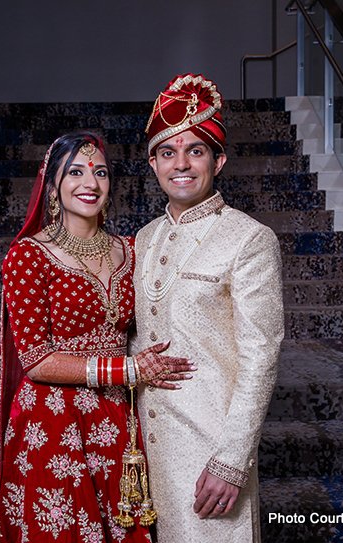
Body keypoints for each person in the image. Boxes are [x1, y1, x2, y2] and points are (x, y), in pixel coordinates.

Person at [0, 131, 195, 543]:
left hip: (119, 418)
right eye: (76, 172)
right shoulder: (29, 256)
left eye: (100, 172)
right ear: (52, 186)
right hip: (52, 422)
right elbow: (36, 359)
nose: (91, 183)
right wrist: (131, 369)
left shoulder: (131, 250)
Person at [130, 74, 284, 542]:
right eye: (167, 152)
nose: (181, 164)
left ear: (218, 161)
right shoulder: (144, 238)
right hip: (145, 450)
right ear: (154, 163)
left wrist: (233, 460)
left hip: (208, 449)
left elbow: (262, 356)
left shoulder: (249, 239)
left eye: (195, 150)